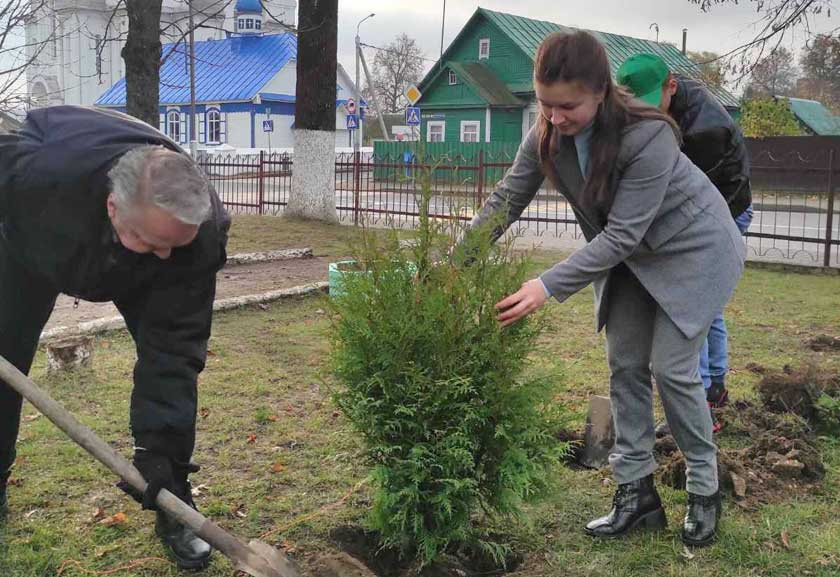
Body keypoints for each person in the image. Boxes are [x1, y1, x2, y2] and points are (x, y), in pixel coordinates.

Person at [468, 31, 745, 547]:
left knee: (671, 367)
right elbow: (508, 197)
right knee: (624, 364)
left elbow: (622, 234)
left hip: (693, 250)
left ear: (601, 91)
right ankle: (635, 494)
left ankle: (704, 490)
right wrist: (456, 258)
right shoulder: (547, 132)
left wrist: (546, 286)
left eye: (568, 106)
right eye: (545, 105)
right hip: (633, 258)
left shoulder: (648, 133)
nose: (555, 117)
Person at [0, 106, 230, 569]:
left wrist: (158, 454)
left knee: (172, 367)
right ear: (112, 206)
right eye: (151, 240)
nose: (164, 255)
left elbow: (174, 351)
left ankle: (172, 502)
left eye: (174, 244)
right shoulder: (36, 171)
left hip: (123, 260)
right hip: (27, 251)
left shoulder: (194, 240)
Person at [617, 53, 753, 433]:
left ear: (671, 86)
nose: (640, 113)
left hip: (723, 212)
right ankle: (714, 386)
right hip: (702, 208)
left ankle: (701, 402)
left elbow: (680, 194)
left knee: (690, 302)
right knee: (705, 304)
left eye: (646, 104)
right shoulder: (664, 109)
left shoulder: (702, 130)